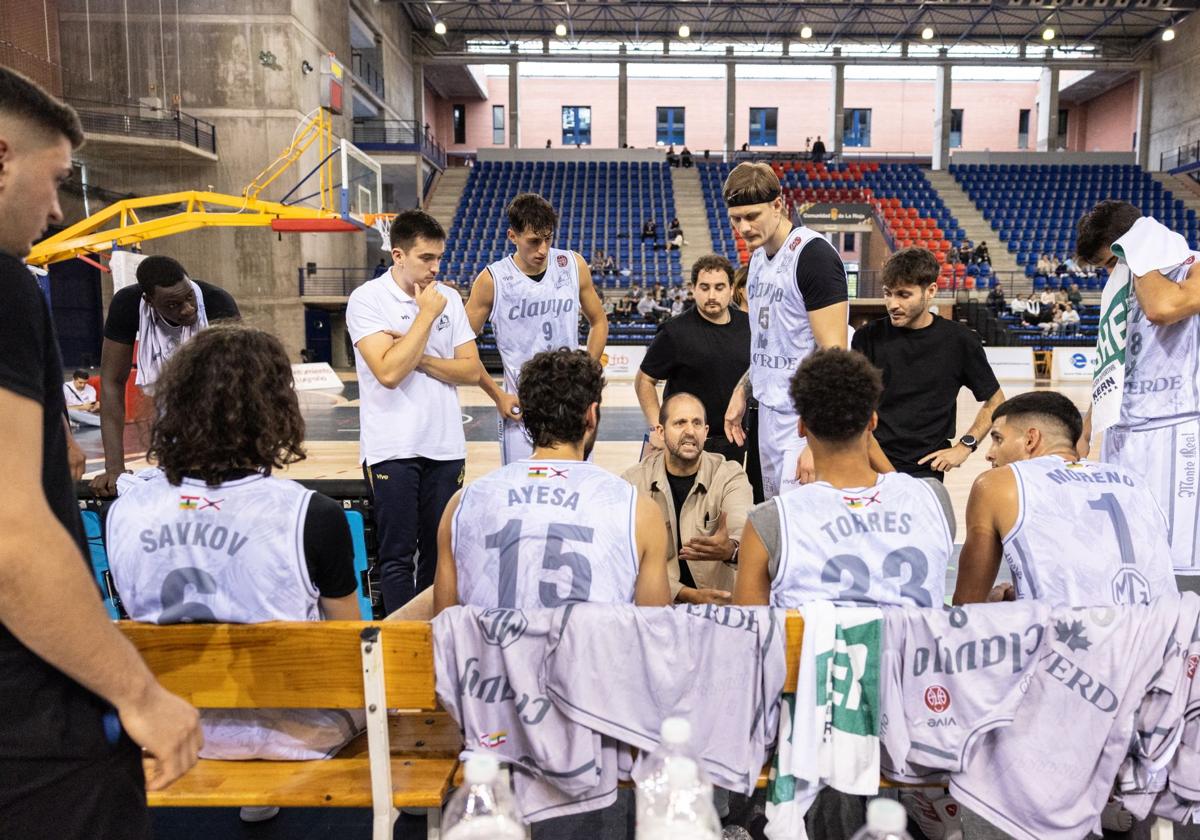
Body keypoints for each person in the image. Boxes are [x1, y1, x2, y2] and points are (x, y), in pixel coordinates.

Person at [0, 65, 200, 839]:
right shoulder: (7, 286)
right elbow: (13, 541)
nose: (56, 211)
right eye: (54, 181)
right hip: (29, 734)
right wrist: (140, 695)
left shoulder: (205, 306)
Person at [104, 325, 364, 822]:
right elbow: (349, 652)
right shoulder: (310, 514)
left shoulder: (125, 510)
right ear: (275, 409)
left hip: (174, 724)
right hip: (301, 732)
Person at [433, 349, 670, 612]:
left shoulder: (461, 505)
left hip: (492, 652)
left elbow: (445, 629)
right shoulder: (640, 512)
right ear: (591, 415)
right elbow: (655, 635)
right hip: (587, 652)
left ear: (526, 414)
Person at [733, 348, 954, 608]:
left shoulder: (770, 521)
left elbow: (751, 635)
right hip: (916, 649)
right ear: (872, 421)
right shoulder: (933, 497)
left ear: (801, 427)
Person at [720, 162, 886, 498]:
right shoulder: (755, 261)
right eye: (736, 219)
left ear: (778, 205)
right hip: (768, 414)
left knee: (807, 528)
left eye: (752, 216)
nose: (744, 227)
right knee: (776, 521)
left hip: (803, 420)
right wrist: (744, 390)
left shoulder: (813, 256)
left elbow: (835, 358)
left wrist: (817, 437)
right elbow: (769, 344)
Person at [347, 209, 478, 612]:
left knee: (440, 559)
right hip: (392, 447)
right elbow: (387, 371)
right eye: (426, 258)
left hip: (445, 446)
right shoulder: (367, 300)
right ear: (398, 255)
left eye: (439, 258)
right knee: (397, 558)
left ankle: (436, 642)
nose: (434, 268)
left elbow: (471, 370)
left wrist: (413, 354)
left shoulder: (449, 298)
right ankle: (402, 649)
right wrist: (425, 318)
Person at [954, 391, 1177, 607]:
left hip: (1078, 639)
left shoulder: (997, 483)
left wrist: (996, 605)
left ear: (1031, 439)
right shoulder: (1134, 481)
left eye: (998, 439)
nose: (990, 453)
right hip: (1167, 635)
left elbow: (967, 607)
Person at [1076, 201, 1200, 588]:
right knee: (1126, 550)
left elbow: (1164, 308)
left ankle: (1188, 643)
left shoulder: (1191, 266)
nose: (1110, 273)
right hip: (1122, 427)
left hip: (1177, 427)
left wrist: (1140, 252)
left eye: (1111, 261)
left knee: (1176, 558)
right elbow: (1113, 358)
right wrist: (1087, 428)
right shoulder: (1123, 285)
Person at [465, 193, 609, 465]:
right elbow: (460, 343)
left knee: (577, 491)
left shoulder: (572, 265)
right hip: (523, 406)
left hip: (572, 400)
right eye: (533, 241)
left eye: (548, 238)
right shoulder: (492, 280)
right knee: (523, 495)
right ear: (512, 236)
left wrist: (587, 372)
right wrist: (497, 395)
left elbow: (599, 321)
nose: (542, 249)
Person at [91, 255, 240, 496]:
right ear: (149, 301)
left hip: (216, 395)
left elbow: (241, 382)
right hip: (169, 405)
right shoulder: (128, 305)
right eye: (173, 305)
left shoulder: (216, 302)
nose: (188, 309)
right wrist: (114, 468)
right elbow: (112, 382)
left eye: (189, 296)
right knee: (178, 486)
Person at [851, 247, 1004, 482]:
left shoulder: (960, 341)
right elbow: (851, 407)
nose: (892, 304)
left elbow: (995, 401)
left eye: (903, 295)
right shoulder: (867, 337)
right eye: (887, 293)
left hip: (925, 472)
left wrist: (965, 446)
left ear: (930, 291)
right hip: (870, 465)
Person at [623, 393, 752, 605]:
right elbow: (627, 561)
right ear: (661, 431)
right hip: (659, 608)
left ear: (706, 432)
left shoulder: (730, 475)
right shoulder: (633, 482)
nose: (690, 431)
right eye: (680, 423)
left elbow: (741, 525)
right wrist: (684, 593)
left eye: (697, 423)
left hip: (718, 610)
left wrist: (731, 549)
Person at [636, 254, 750, 463]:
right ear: (693, 289)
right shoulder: (674, 331)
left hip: (733, 440)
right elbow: (644, 380)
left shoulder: (749, 326)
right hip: (685, 441)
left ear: (732, 289)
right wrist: (657, 427)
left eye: (719, 287)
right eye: (705, 288)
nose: (712, 295)